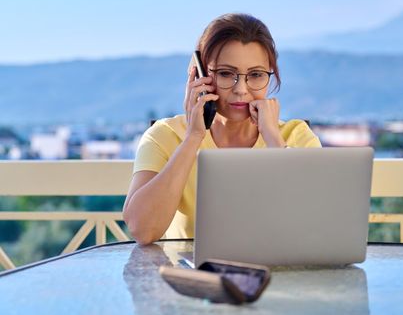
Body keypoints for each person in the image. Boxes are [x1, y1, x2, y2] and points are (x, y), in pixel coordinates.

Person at [123, 13, 321, 245]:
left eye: (256, 75)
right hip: (192, 278)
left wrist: (274, 142)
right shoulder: (165, 135)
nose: (241, 90)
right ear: (199, 76)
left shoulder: (295, 136)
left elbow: (315, 227)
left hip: (279, 276)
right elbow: (142, 230)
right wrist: (193, 138)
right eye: (226, 74)